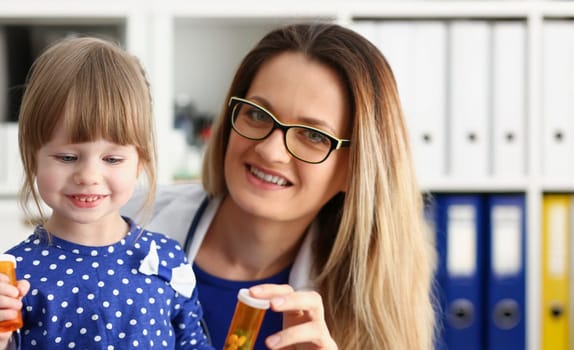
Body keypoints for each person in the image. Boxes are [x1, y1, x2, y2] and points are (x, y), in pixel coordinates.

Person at [122, 22, 437, 349]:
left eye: (314, 136)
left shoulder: (373, 303)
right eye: (257, 115)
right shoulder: (116, 219)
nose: (271, 151)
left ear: (356, 168)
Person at [0, 37, 215, 350]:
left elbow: (193, 342)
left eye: (112, 159)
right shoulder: (16, 276)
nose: (88, 176)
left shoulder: (167, 259)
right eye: (68, 157)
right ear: (32, 158)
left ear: (141, 162)